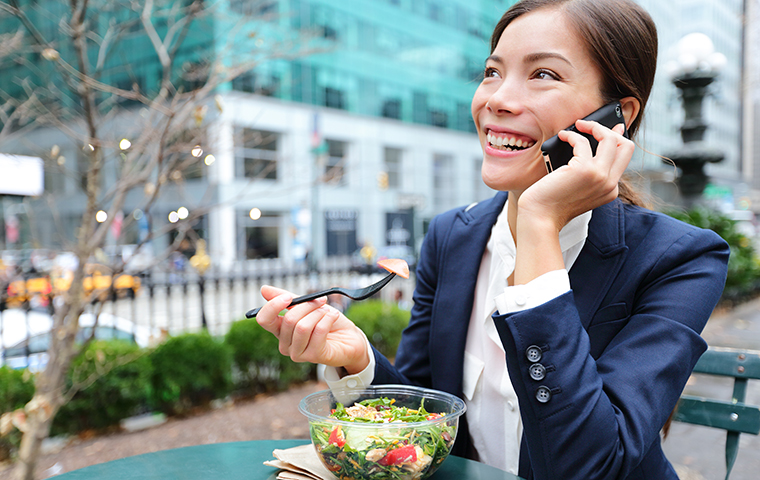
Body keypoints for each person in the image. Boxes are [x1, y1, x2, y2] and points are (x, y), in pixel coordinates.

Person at [253, 1, 730, 478]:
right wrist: (359, 361)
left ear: (616, 115)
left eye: (543, 74)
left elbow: (588, 465)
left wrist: (540, 222)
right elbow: (428, 410)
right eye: (492, 72)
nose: (497, 99)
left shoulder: (681, 260)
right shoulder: (451, 237)